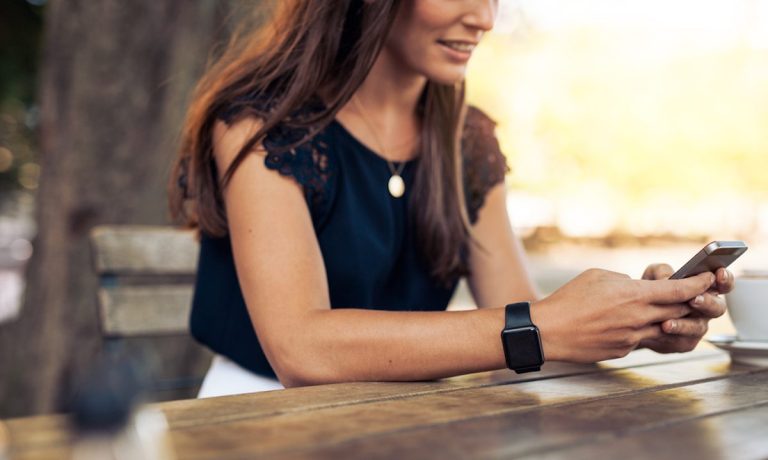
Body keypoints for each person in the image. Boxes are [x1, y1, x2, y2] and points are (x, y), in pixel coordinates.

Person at [169, 0, 733, 398]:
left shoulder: (468, 140)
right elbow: (301, 351)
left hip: (413, 418)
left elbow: (529, 328)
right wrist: (543, 325)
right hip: (255, 416)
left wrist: (631, 320)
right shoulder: (260, 124)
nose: (485, 18)